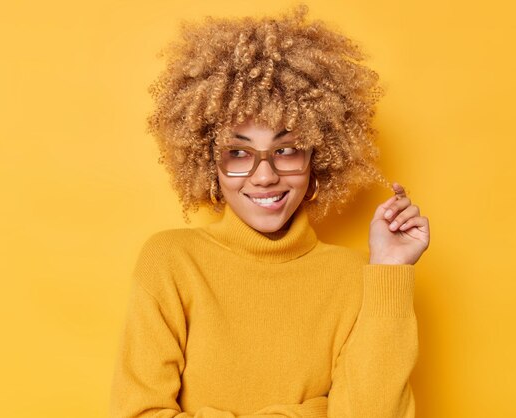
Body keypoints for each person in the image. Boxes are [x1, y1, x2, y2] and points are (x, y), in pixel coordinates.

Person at [109, 5, 430, 418]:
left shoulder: (357, 279)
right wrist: (314, 411)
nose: (264, 176)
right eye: (238, 152)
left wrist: (390, 269)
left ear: (320, 157)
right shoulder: (170, 261)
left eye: (287, 150)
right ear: (210, 162)